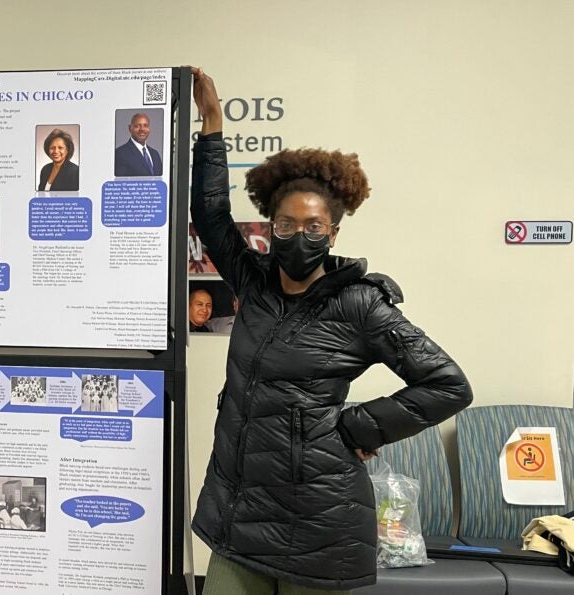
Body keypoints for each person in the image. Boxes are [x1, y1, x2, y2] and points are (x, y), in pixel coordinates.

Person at [189, 68, 473, 593]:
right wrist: (211, 123)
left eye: (314, 227)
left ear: (334, 231)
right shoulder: (254, 283)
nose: (299, 236)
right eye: (286, 225)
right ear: (270, 227)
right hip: (240, 512)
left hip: (321, 523)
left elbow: (448, 385)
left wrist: (361, 427)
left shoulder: (360, 303)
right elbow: (209, 216)